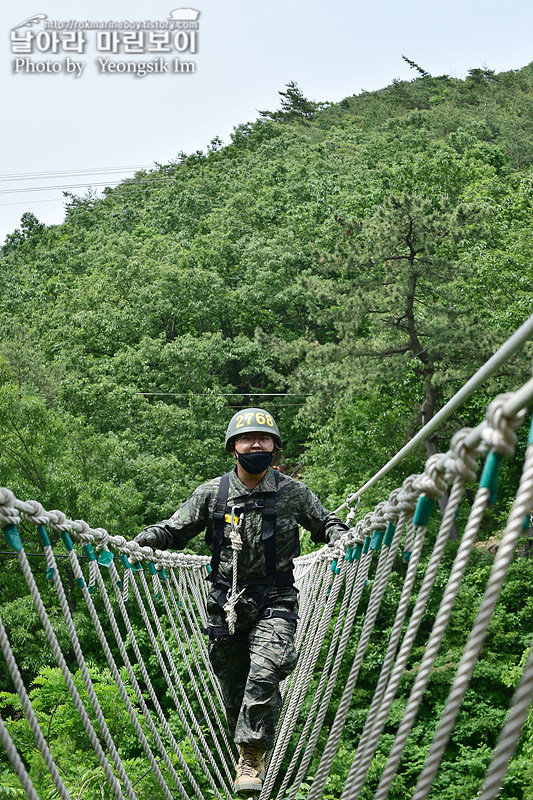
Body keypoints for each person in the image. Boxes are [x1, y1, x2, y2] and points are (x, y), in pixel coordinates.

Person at [134, 407, 349, 795]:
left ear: (274, 447)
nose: (256, 445)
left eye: (264, 439)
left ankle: (252, 753)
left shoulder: (292, 492)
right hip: (226, 605)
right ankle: (245, 750)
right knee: (234, 686)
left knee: (266, 671)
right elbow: (174, 529)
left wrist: (341, 535)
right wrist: (144, 540)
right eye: (247, 439)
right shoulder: (212, 494)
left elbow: (325, 522)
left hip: (276, 599)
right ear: (233, 448)